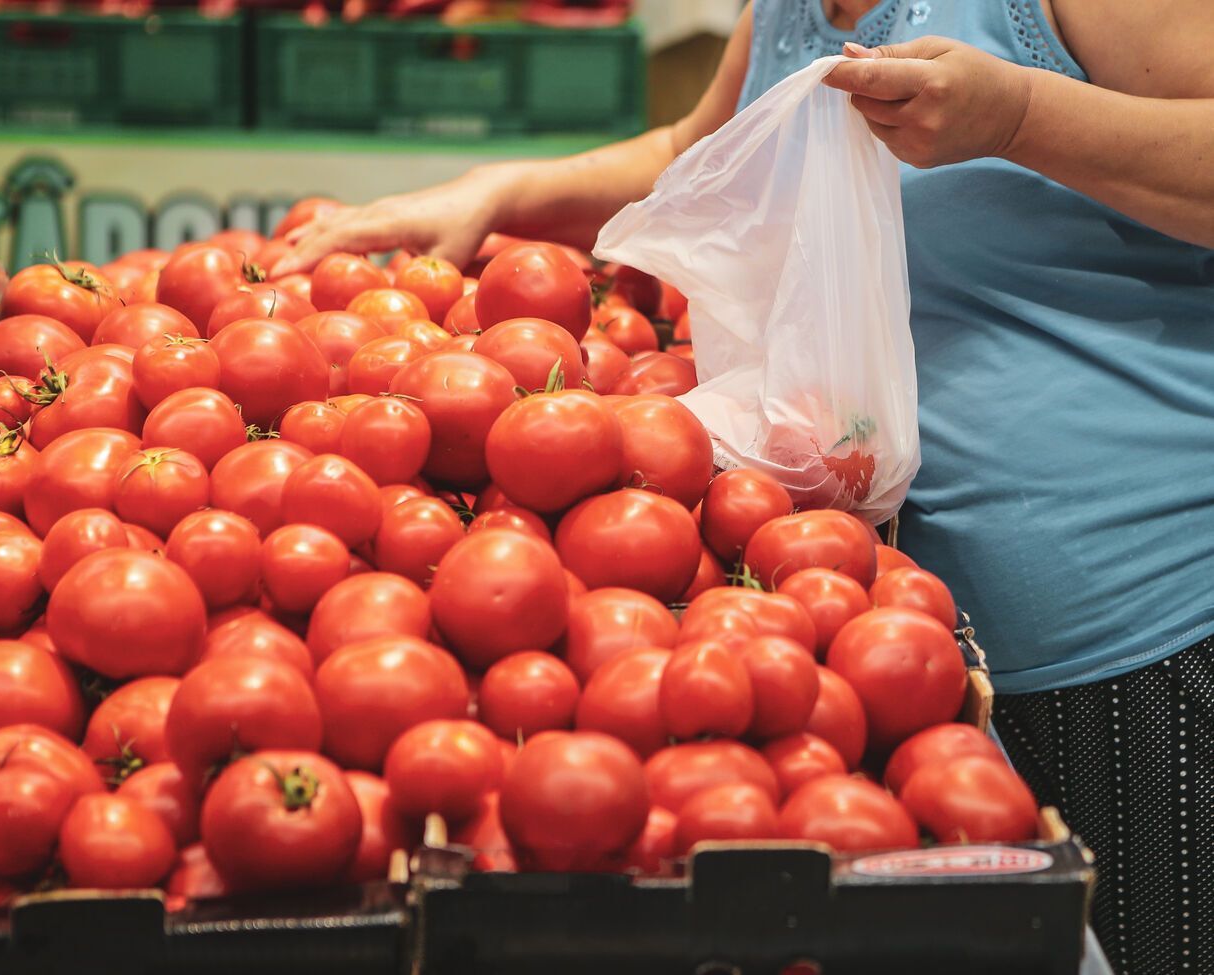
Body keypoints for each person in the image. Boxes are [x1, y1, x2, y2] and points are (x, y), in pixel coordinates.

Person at [274, 3, 1214, 971]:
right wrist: (503, 191)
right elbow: (696, 152)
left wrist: (1019, 117)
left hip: (1134, 616)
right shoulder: (787, 9)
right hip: (902, 649)